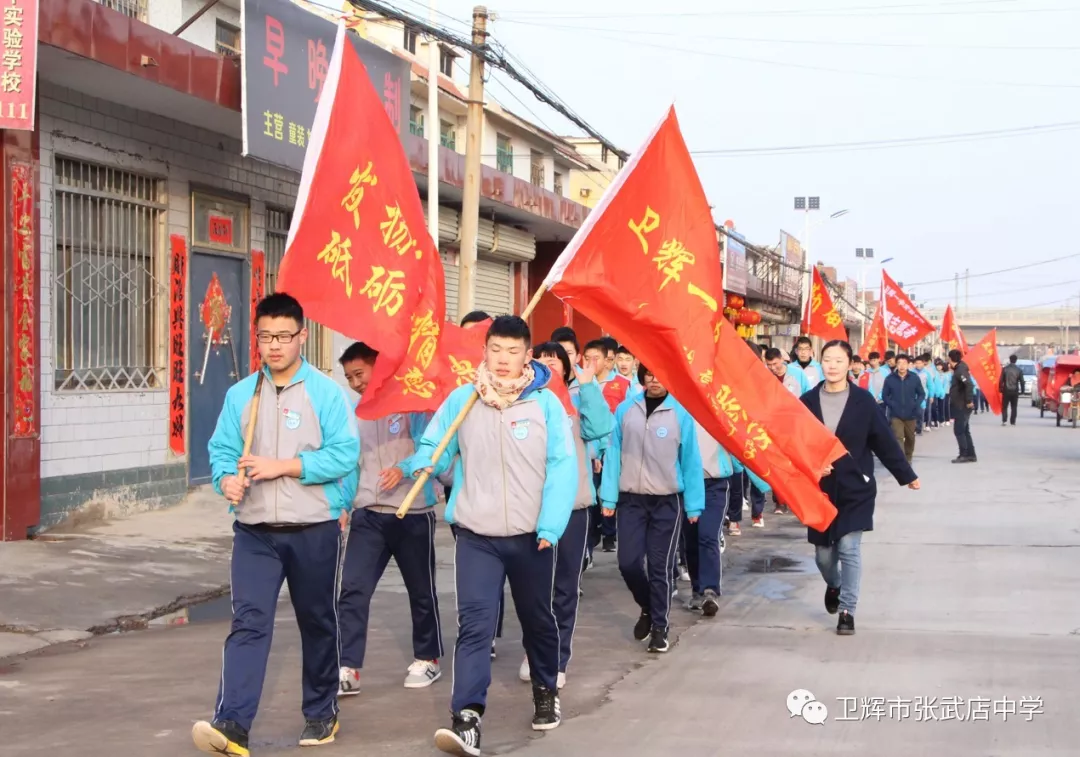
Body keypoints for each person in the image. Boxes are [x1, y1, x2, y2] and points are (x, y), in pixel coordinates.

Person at [193, 293, 360, 755]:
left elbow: (344, 455)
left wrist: (284, 466)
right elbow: (223, 450)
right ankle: (231, 723)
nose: (274, 346)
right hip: (254, 531)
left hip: (313, 529)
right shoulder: (241, 393)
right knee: (248, 623)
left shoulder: (326, 394)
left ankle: (320, 713)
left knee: (317, 621)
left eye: (284, 337)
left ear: (302, 336)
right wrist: (226, 480)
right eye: (265, 336)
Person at [404, 316, 577, 754]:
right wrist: (423, 465)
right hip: (477, 535)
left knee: (538, 620)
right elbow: (433, 445)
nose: (503, 360)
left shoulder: (545, 406)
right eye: (496, 349)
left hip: (531, 535)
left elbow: (562, 467)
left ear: (527, 356)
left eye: (513, 351)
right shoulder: (464, 401)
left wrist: (551, 524)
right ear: (484, 350)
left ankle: (544, 689)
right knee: (475, 625)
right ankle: (467, 718)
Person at [336, 342, 443, 697]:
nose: (354, 382)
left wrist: (404, 468)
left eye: (359, 374)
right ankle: (347, 666)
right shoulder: (357, 413)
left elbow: (433, 450)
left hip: (412, 511)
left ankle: (428, 658)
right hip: (368, 514)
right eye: (349, 377)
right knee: (353, 588)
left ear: (378, 367)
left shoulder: (412, 402)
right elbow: (351, 464)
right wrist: (344, 504)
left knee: (421, 590)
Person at [800, 340, 919, 636]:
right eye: (827, 359)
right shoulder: (806, 402)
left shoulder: (864, 401)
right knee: (824, 556)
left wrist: (906, 474)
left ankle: (847, 611)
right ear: (820, 361)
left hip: (856, 487)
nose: (832, 365)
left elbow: (884, 441)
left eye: (839, 360)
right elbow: (795, 444)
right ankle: (835, 584)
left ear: (850, 363)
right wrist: (810, 466)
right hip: (821, 490)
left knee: (850, 548)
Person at [519, 342, 613, 689]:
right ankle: (535, 650)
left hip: (573, 508)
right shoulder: (523, 399)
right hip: (531, 509)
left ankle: (557, 657)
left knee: (564, 588)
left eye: (554, 359)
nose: (548, 365)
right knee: (533, 589)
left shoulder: (577, 397)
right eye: (541, 359)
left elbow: (601, 428)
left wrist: (588, 388)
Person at [600, 364, 704, 654]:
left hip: (666, 502)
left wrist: (694, 504)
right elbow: (613, 455)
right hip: (631, 500)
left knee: (659, 567)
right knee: (628, 563)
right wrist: (608, 498)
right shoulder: (625, 410)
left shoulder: (680, 413)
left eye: (661, 373)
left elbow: (691, 461)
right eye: (649, 374)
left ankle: (660, 626)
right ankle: (647, 605)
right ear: (642, 377)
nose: (654, 379)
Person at [691, 423, 769, 613]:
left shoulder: (718, 407)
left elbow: (743, 443)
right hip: (687, 485)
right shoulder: (678, 407)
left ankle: (710, 590)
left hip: (715, 485)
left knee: (708, 536)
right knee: (691, 540)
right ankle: (697, 590)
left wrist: (765, 478)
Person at [881, 355, 925, 464]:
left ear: (908, 364)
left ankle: (908, 457)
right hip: (895, 414)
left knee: (910, 438)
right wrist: (892, 404)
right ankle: (901, 460)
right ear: (896, 364)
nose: (902, 366)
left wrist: (916, 404)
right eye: (899, 363)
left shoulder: (914, 377)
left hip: (911, 413)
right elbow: (885, 395)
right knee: (898, 437)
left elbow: (921, 394)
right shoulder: (890, 379)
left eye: (904, 363)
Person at [948, 349, 977, 463]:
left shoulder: (960, 370)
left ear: (950, 359)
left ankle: (964, 454)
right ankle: (971, 454)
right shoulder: (959, 369)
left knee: (959, 430)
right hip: (960, 404)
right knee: (965, 430)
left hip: (962, 405)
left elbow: (969, 385)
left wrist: (969, 400)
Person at [1000, 354, 1023, 426]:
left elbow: (1001, 380)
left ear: (1010, 360)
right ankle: (1013, 421)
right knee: (1014, 406)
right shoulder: (1019, 370)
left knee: (1004, 406)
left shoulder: (1005, 369)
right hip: (1015, 391)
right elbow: (1022, 381)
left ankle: (1004, 420)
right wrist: (1022, 390)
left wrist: (1000, 388)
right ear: (1016, 360)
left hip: (1006, 390)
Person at [912, 355, 932, 435]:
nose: (918, 365)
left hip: (923, 395)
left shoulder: (927, 373)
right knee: (913, 413)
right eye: (916, 363)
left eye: (920, 363)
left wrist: (931, 396)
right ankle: (913, 428)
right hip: (912, 395)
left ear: (923, 363)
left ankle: (919, 429)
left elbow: (930, 385)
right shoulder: (911, 372)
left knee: (920, 413)